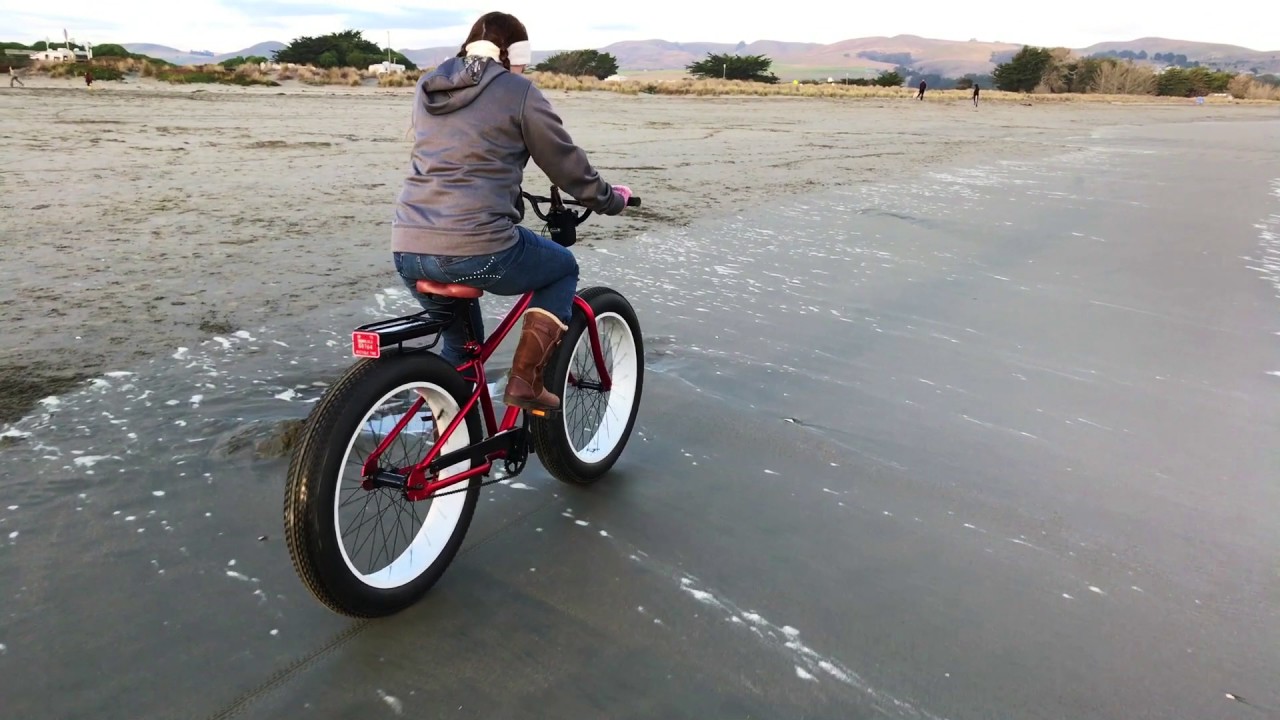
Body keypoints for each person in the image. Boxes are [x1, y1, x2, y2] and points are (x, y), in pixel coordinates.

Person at [390, 11, 631, 413]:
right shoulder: (518, 90)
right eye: (522, 59)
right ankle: (526, 381)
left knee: (461, 350)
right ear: (512, 54)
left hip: (408, 247)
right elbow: (565, 164)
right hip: (478, 247)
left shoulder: (428, 84)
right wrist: (610, 199)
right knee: (561, 269)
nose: (524, 67)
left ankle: (453, 449)